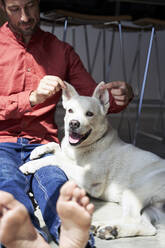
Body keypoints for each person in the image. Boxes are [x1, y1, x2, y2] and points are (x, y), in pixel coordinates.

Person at [0, 0, 134, 247]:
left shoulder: (61, 51)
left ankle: (72, 237)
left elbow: (93, 104)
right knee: (7, 185)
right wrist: (30, 98)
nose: (25, 16)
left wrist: (120, 96)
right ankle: (26, 236)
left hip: (43, 142)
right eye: (15, 9)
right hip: (2, 143)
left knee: (58, 186)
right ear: (2, 7)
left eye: (30, 6)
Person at [0, 181, 94, 248]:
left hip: (39, 155)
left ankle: (62, 228)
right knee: (9, 182)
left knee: (53, 179)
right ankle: (29, 237)